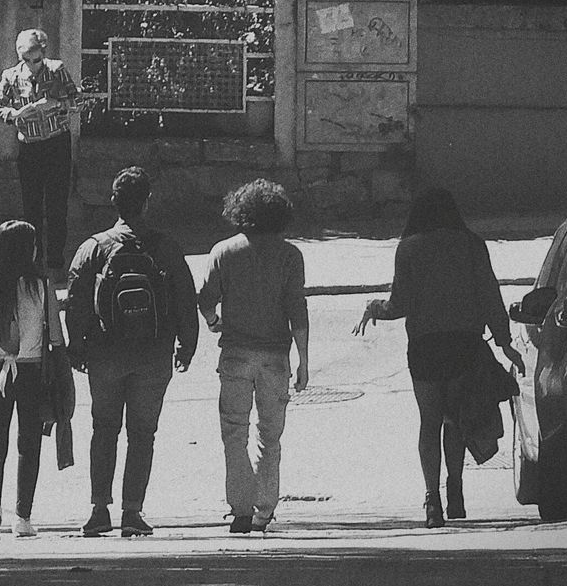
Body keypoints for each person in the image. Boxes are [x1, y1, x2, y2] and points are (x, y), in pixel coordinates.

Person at [352, 187, 525, 528]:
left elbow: (398, 304)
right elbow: (490, 295)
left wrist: (374, 308)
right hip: (464, 345)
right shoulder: (472, 245)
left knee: (429, 421)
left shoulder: (409, 248)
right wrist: (504, 343)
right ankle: (455, 490)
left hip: (424, 347)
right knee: (456, 420)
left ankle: (432, 500)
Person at [66, 167, 198, 537]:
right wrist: (187, 345)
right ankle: (132, 512)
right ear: (147, 202)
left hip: (105, 356)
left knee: (103, 429)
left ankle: (98, 511)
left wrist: (76, 347)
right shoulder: (166, 247)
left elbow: (75, 301)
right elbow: (186, 299)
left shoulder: (93, 247)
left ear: (114, 202)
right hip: (154, 355)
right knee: (143, 434)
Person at [197, 179, 309, 534]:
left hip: (235, 355)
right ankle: (265, 509)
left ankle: (240, 508)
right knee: (270, 436)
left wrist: (215, 322)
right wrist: (304, 360)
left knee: (234, 432)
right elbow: (298, 311)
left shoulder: (224, 252)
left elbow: (205, 298)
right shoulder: (291, 256)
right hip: (275, 357)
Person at [0, 219, 65, 540]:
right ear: (27, 250)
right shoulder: (40, 286)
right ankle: (22, 518)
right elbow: (57, 337)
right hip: (32, 372)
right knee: (28, 443)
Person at [0, 28, 79, 280]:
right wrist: (14, 115)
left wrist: (57, 104)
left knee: (57, 205)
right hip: (29, 146)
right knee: (31, 207)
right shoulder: (11, 76)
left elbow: (78, 101)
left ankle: (56, 262)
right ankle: (34, 262)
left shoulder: (56, 70)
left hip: (56, 143)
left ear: (44, 53)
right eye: (26, 60)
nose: (32, 66)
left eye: (36, 60)